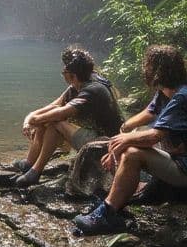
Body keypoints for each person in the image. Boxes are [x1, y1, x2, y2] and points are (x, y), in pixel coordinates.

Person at [74, 44, 187, 234]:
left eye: (148, 65)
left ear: (159, 70)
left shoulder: (183, 97)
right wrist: (125, 129)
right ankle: (117, 201)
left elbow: (154, 136)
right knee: (129, 140)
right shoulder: (166, 93)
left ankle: (107, 215)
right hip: (179, 159)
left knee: (132, 153)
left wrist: (123, 141)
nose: (145, 69)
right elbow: (148, 113)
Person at [12, 46, 123, 186]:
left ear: (73, 75)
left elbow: (61, 113)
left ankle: (36, 171)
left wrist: (35, 120)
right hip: (95, 135)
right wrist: (29, 118)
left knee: (55, 123)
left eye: (64, 71)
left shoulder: (93, 89)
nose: (63, 73)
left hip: (106, 143)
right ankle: (30, 163)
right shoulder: (81, 82)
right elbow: (54, 105)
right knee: (48, 118)